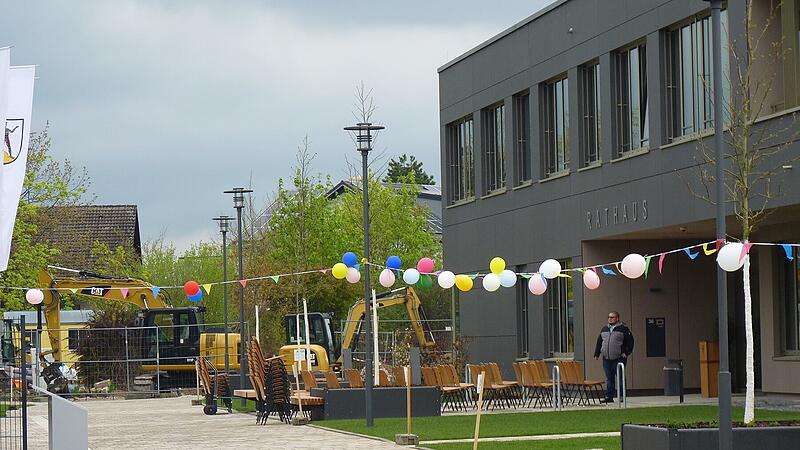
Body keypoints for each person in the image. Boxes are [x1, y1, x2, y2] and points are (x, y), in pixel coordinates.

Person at [594, 311, 634, 404]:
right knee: (609, 378)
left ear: (617, 318)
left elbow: (630, 342)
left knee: (620, 377)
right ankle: (609, 396)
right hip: (606, 358)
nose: (610, 319)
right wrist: (597, 353)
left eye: (612, 317)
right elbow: (599, 341)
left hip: (619, 358)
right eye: (609, 317)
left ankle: (621, 396)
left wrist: (626, 353)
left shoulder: (623, 329)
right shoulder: (604, 329)